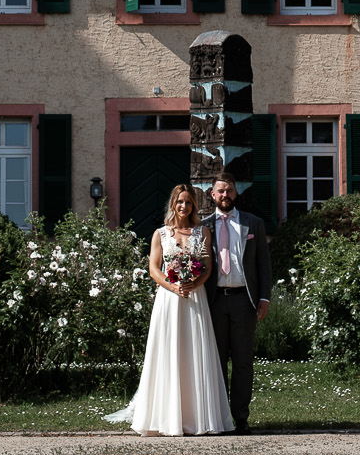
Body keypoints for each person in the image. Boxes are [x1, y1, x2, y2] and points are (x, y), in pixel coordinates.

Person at [104, 184, 233, 436]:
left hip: (195, 298)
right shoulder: (160, 234)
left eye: (188, 202)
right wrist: (174, 288)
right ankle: (166, 417)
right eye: (180, 202)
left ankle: (197, 418)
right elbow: (154, 269)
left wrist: (194, 283)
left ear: (194, 205)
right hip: (169, 300)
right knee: (169, 351)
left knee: (195, 351)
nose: (184, 206)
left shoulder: (202, 232)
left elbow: (207, 267)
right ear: (173, 204)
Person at [203, 170, 273, 434]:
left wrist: (264, 297)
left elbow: (263, 264)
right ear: (212, 194)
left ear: (236, 192)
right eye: (220, 190)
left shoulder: (253, 224)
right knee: (216, 361)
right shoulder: (203, 226)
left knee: (243, 362)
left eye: (229, 190)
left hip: (245, 301)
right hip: (214, 302)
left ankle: (241, 417)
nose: (225, 195)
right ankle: (220, 419)